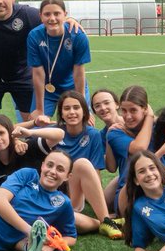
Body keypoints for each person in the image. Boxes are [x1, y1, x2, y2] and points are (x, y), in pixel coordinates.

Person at [52, 91, 121, 238]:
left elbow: (94, 172)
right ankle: (104, 221)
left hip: (75, 195)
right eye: (67, 108)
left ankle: (105, 220)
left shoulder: (93, 135)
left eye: (76, 107)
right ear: (61, 114)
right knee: (70, 220)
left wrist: (96, 199)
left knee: (82, 164)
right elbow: (16, 130)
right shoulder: (54, 132)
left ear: (84, 112)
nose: (71, 112)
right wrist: (30, 127)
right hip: (52, 191)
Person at [27, 0, 91, 123]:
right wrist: (40, 109)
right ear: (40, 16)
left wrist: (82, 104)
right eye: (47, 14)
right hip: (47, 90)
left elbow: (78, 73)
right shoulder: (34, 36)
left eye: (57, 13)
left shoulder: (78, 36)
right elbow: (38, 73)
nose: (52, 18)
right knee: (37, 125)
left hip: (73, 87)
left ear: (65, 14)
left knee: (83, 124)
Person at [104, 85, 155, 214]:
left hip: (155, 189)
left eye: (133, 110)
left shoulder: (158, 128)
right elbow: (140, 148)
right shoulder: (115, 132)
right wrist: (149, 117)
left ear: (144, 109)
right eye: (124, 110)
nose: (127, 116)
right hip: (128, 196)